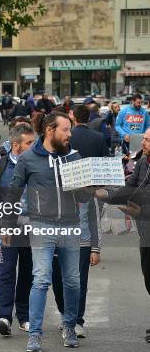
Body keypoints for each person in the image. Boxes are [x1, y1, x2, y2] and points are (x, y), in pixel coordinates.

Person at [5, 111, 86, 351]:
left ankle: (69, 324)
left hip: (71, 226)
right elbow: (13, 192)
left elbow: (83, 197)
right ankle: (35, 334)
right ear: (50, 130)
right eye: (65, 130)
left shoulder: (74, 156)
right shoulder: (29, 158)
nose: (70, 134)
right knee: (41, 278)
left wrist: (90, 187)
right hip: (41, 225)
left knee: (72, 280)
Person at [51, 105, 107, 339]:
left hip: (81, 238)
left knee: (79, 281)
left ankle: (76, 320)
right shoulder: (52, 178)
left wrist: (95, 246)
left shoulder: (84, 180)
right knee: (56, 279)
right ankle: (66, 314)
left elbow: (92, 212)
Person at [95, 127, 150, 344]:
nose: (143, 143)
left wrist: (142, 211)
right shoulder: (143, 162)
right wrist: (105, 194)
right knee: (149, 279)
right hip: (145, 233)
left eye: (147, 140)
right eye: (144, 138)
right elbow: (130, 187)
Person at [0, 123, 36, 336]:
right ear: (16, 145)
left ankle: (24, 316)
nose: (34, 146)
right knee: (5, 272)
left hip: (31, 229)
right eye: (29, 143)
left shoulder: (37, 165)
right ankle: (4, 316)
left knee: (27, 273)